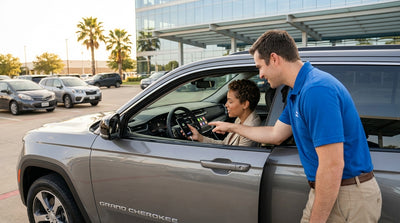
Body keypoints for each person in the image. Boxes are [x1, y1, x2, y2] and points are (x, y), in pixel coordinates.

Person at [209, 30, 382, 223]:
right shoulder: (297, 92)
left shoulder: (316, 90)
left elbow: (332, 166)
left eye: (260, 67)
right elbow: (275, 134)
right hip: (328, 190)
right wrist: (232, 127)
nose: (261, 74)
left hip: (346, 196)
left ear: (274, 58)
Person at [187, 79, 261, 147]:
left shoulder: (250, 129)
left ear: (245, 104)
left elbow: (237, 157)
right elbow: (225, 144)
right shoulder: (241, 119)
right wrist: (200, 137)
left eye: (230, 102)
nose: (226, 105)